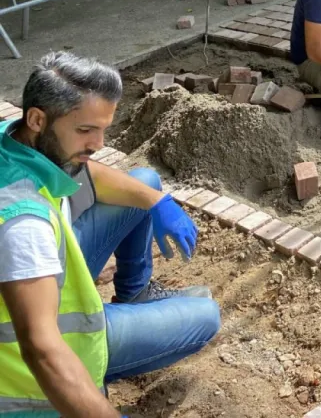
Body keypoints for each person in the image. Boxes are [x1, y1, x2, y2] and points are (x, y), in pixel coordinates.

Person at [0, 52, 220, 418]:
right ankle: (96, 375)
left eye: (102, 129)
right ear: (38, 119)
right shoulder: (23, 224)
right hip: (51, 358)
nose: (99, 143)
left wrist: (158, 202)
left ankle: (136, 293)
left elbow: (91, 175)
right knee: (206, 317)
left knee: (144, 183)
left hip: (46, 284)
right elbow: (42, 350)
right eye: (85, 130)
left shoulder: (17, 141)